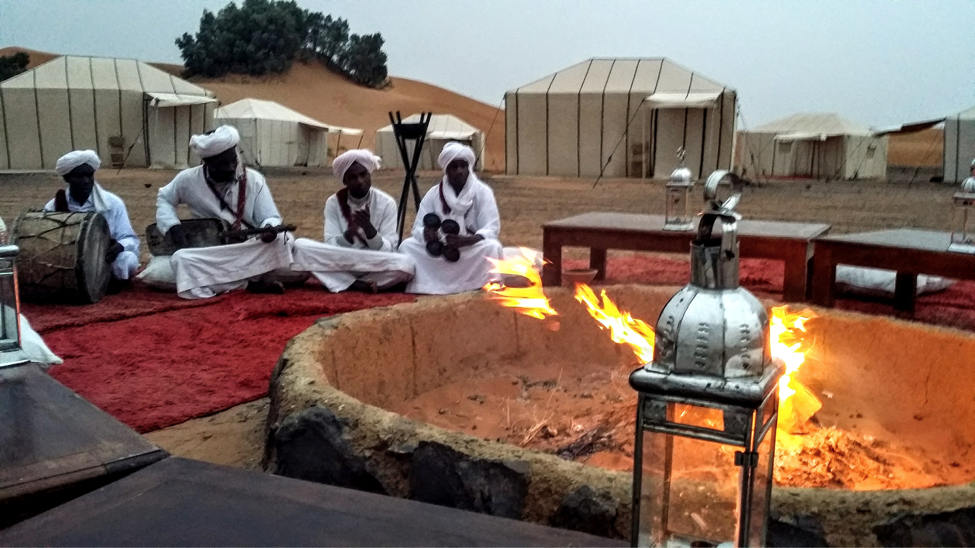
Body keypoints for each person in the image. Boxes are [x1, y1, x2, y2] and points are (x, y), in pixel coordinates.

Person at [156, 125, 293, 299]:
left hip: (248, 247)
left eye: (233, 160)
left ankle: (222, 280)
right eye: (222, 164)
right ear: (206, 163)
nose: (230, 167)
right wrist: (172, 226)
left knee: (283, 241)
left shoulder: (254, 179)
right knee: (181, 259)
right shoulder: (188, 179)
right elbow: (165, 198)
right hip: (213, 252)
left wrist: (269, 229)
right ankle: (248, 283)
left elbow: (270, 217)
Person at [291, 150, 414, 293]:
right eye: (353, 177)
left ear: (369, 175)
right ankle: (357, 284)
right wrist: (350, 233)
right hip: (343, 259)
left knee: (406, 265)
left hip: (373, 261)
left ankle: (348, 282)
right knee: (300, 246)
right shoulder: (334, 202)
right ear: (345, 181)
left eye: (363, 175)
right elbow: (330, 244)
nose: (360, 181)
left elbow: (389, 250)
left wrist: (369, 230)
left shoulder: (386, 203)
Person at [399, 141, 503, 294]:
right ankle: (427, 286)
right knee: (407, 246)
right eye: (454, 167)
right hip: (441, 248)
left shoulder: (482, 191)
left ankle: (481, 284)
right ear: (446, 170)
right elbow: (417, 228)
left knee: (493, 247)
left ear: (469, 167)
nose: (459, 171)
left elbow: (491, 228)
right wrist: (426, 234)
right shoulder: (434, 193)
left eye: (463, 166)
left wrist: (467, 240)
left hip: (469, 248)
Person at [42, 150, 140, 284]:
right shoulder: (54, 206)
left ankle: (109, 282)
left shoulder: (112, 203)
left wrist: (118, 247)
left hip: (104, 259)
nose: (86, 181)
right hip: (67, 261)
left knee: (128, 259)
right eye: (79, 177)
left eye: (89, 175)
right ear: (67, 178)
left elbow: (129, 238)